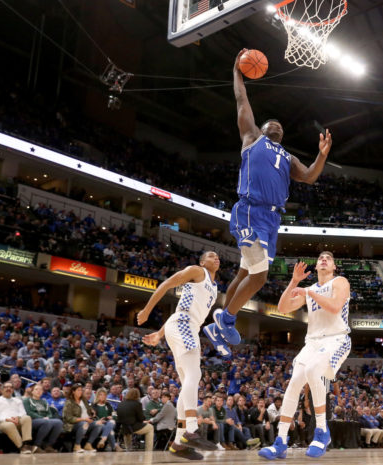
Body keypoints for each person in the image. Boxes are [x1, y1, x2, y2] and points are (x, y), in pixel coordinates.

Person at [202, 48, 333, 358]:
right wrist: (237, 71)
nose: (276, 126)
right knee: (259, 276)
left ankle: (222, 318)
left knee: (245, 275)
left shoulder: (289, 158)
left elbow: (311, 177)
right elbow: (241, 99)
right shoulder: (251, 137)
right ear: (261, 129)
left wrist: (323, 154)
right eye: (270, 123)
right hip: (250, 210)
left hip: (272, 221)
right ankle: (225, 321)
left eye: (281, 126)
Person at [259, 252, 351, 459]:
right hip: (313, 343)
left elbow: (335, 307)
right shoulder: (309, 289)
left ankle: (321, 431)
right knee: (293, 385)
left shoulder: (340, 281)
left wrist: (308, 293)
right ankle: (280, 441)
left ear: (334, 266)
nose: (324, 260)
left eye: (328, 258)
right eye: (320, 258)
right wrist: (294, 281)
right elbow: (282, 307)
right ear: (316, 266)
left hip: (337, 339)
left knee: (312, 371)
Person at [136, 251, 221, 460]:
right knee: (194, 375)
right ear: (202, 261)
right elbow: (167, 283)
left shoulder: (215, 287)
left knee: (188, 382)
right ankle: (191, 429)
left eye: (218, 256)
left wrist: (159, 333)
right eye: (211, 255)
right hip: (183, 324)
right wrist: (147, 310)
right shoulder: (196, 271)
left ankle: (178, 443)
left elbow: (182, 308)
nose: (216, 258)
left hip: (188, 327)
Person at [0, 381, 36, 454]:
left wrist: (18, 417)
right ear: (1, 390)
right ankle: (21, 447)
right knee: (10, 424)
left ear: (13, 390)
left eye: (11, 387)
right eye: (6, 387)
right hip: (2, 423)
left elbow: (23, 413)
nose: (8, 389)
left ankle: (27, 443)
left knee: (27, 418)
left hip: (17, 421)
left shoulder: (18, 400)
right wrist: (8, 419)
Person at [22, 383, 62, 453]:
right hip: (32, 420)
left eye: (40, 390)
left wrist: (47, 417)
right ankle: (36, 445)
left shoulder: (44, 401)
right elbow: (29, 412)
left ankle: (48, 445)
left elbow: (49, 413)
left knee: (58, 422)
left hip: (45, 420)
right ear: (32, 391)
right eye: (36, 389)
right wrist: (42, 418)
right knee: (46, 422)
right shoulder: (27, 400)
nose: (38, 391)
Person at [62, 384, 102, 453]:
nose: (80, 392)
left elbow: (89, 410)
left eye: (81, 390)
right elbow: (68, 418)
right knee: (84, 424)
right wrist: (84, 419)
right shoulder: (69, 402)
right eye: (78, 390)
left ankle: (88, 444)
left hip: (86, 422)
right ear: (73, 391)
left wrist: (92, 412)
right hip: (72, 425)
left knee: (99, 424)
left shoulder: (84, 401)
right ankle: (77, 446)